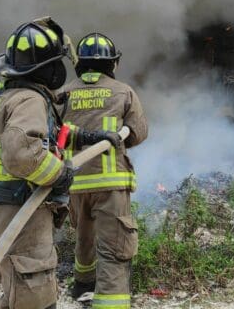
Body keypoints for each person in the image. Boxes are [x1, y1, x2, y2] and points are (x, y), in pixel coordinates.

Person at [0, 18, 121, 309]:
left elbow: (49, 138)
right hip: (20, 210)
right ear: (49, 68)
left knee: (16, 292)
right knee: (35, 297)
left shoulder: (6, 95)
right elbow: (22, 155)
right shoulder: (31, 99)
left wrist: (90, 136)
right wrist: (60, 175)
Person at [64, 33, 148, 309]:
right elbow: (138, 133)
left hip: (74, 183)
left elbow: (56, 136)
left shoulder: (63, 93)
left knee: (83, 236)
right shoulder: (123, 91)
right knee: (113, 248)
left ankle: (83, 285)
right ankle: (110, 302)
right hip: (111, 185)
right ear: (112, 63)